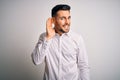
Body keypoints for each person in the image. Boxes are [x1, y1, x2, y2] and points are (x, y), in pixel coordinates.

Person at [31, 4, 90, 80]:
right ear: (53, 20)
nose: (67, 22)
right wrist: (48, 38)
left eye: (69, 18)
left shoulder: (77, 39)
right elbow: (36, 60)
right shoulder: (44, 37)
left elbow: (83, 66)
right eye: (63, 18)